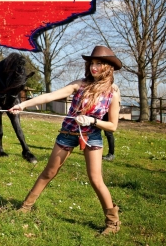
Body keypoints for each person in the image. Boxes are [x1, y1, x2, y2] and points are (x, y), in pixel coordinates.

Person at [8, 45, 122, 235]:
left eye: (98, 63)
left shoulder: (112, 93)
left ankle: (113, 223)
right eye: (92, 63)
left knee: (95, 179)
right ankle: (26, 207)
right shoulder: (80, 84)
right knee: (48, 172)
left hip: (91, 135)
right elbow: (51, 96)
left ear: (107, 67)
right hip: (68, 133)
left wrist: (93, 120)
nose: (93, 67)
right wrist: (23, 105)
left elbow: (113, 126)